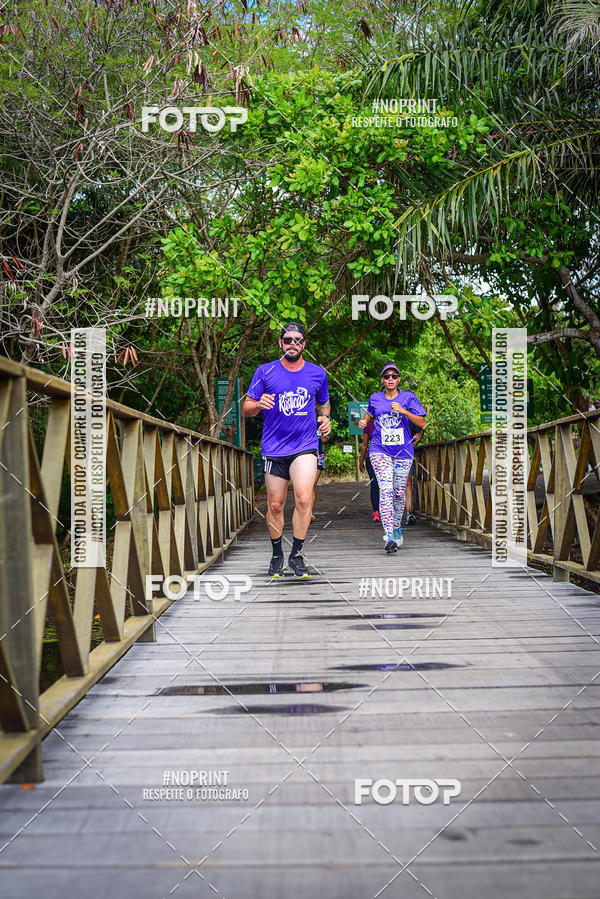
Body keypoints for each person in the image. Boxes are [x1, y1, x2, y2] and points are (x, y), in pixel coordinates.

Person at [242, 322, 331, 578]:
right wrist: (259, 403)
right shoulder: (265, 371)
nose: (293, 343)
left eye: (298, 340)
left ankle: (297, 555)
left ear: (304, 345)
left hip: (305, 446)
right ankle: (277, 553)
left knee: (304, 498)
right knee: (276, 505)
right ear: (280, 343)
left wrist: (325, 420)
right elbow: (247, 408)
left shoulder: (317, 373)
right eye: (287, 339)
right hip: (274, 447)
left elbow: (323, 404)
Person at [358, 362, 426, 553]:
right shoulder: (375, 398)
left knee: (398, 492)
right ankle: (388, 535)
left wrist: (404, 411)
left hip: (403, 451)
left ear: (399, 379)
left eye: (394, 376)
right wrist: (364, 421)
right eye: (386, 376)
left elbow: (422, 422)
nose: (390, 379)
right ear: (382, 379)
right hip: (379, 449)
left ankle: (396, 526)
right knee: (385, 490)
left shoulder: (408, 397)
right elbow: (369, 414)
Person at [404, 420, 425, 525]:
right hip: (390, 452)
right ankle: (391, 513)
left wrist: (415, 442)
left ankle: (409, 513)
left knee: (408, 482)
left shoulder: (410, 413)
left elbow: (421, 428)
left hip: (407, 452)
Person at [359, 418, 380, 522]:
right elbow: (364, 444)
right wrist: (361, 460)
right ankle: (376, 512)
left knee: (386, 484)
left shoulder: (389, 422)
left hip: (387, 456)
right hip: (371, 457)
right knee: (375, 483)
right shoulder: (369, 425)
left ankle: (387, 511)